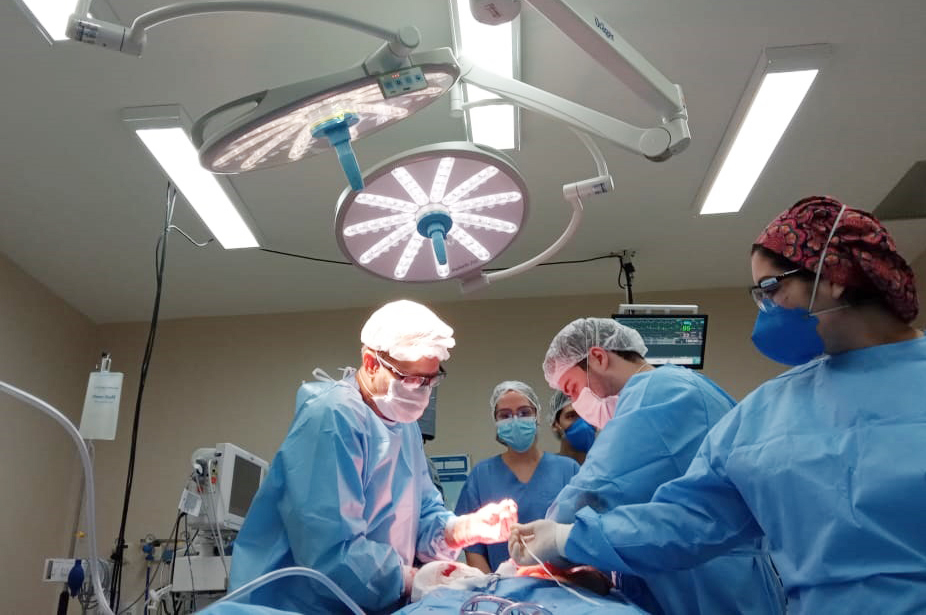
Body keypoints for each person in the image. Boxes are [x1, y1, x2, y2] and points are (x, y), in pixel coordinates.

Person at [509, 196, 926, 614]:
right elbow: (688, 520)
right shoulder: (764, 413)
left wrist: (563, 530)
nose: (764, 310)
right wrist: (564, 539)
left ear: (834, 275)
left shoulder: (673, 392)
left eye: (771, 289)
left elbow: (605, 487)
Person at [229, 300, 518, 615]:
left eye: (431, 380)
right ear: (370, 362)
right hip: (298, 606)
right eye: (411, 379)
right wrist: (411, 579)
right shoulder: (332, 418)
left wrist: (462, 529)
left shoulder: (405, 427)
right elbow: (329, 551)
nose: (422, 391)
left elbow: (423, 513)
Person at [535, 317, 784, 615]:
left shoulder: (660, 393)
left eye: (573, 388)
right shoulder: (677, 388)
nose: (577, 402)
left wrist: (546, 539)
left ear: (598, 357)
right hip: (705, 573)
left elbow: (596, 491)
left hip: (715, 584)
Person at [454, 381, 579, 573]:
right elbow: (473, 549)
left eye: (524, 412)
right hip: (500, 588)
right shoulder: (481, 475)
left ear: (536, 415)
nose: (515, 421)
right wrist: (492, 587)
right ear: (496, 422)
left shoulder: (568, 470)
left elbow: (582, 534)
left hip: (562, 586)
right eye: (505, 415)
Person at [549, 390, 595, 465]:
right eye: (571, 416)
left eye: (587, 415)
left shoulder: (608, 468)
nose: (582, 423)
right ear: (555, 424)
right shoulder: (544, 469)